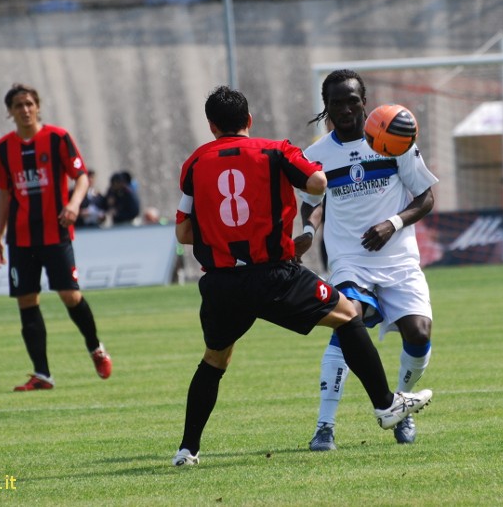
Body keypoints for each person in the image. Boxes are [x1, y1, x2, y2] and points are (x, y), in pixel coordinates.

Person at [170, 86, 432, 467]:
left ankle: (187, 450)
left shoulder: (194, 164)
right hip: (275, 275)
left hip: (222, 284)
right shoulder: (275, 150)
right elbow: (317, 184)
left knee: (214, 360)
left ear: (211, 126)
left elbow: (183, 234)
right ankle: (386, 404)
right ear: (249, 120)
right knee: (347, 315)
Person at [295, 69, 438, 451]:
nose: (345, 108)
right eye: (336, 102)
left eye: (352, 100)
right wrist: (308, 234)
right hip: (348, 259)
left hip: (399, 258)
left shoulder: (394, 140)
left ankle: (399, 409)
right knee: (348, 321)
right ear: (326, 108)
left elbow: (425, 198)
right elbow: (311, 206)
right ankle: (325, 426)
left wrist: (392, 224)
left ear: (364, 101)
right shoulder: (316, 156)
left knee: (419, 333)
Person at [0, 83, 112, 392]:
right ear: (10, 112)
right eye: (18, 105)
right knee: (26, 301)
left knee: (70, 296)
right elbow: (5, 194)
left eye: (29, 103)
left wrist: (73, 204)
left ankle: (96, 348)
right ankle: (42, 374)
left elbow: (81, 177)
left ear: (38, 106)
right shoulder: (3, 148)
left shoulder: (58, 138)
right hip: (20, 238)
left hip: (55, 232)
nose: (25, 109)